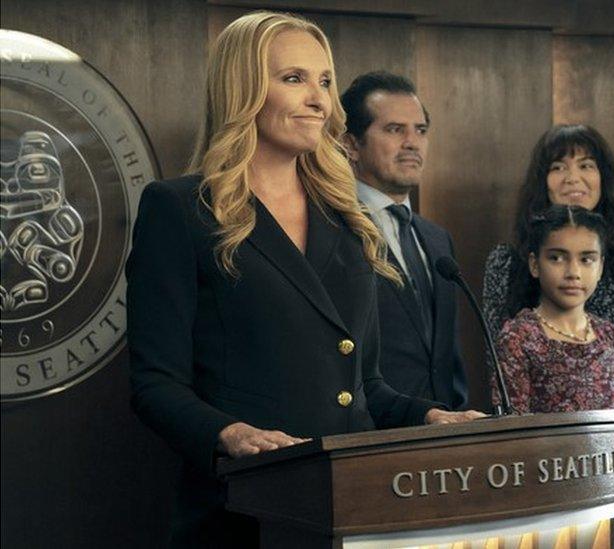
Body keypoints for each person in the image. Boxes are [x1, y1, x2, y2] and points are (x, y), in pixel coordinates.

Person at [126, 12, 481, 548]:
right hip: (244, 512)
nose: (319, 100)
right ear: (242, 88)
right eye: (294, 79)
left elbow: (363, 387)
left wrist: (429, 416)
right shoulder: (178, 209)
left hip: (356, 510)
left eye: (324, 81)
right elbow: (154, 383)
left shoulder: (346, 217)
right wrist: (228, 433)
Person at [483, 124, 614, 549]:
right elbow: (507, 396)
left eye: (586, 165)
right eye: (558, 166)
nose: (573, 177)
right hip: (544, 477)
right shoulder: (508, 264)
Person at [491, 205, 614, 549]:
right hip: (546, 510)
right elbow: (513, 436)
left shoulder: (613, 339)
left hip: (612, 506)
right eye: (558, 258)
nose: (573, 272)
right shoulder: (518, 336)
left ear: (601, 265)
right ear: (535, 264)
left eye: (587, 259)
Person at [340, 71, 467, 409]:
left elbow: (446, 355)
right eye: (395, 129)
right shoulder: (333, 229)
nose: (412, 142)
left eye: (420, 130)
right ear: (351, 144)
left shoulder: (438, 240)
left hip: (442, 434)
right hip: (369, 434)